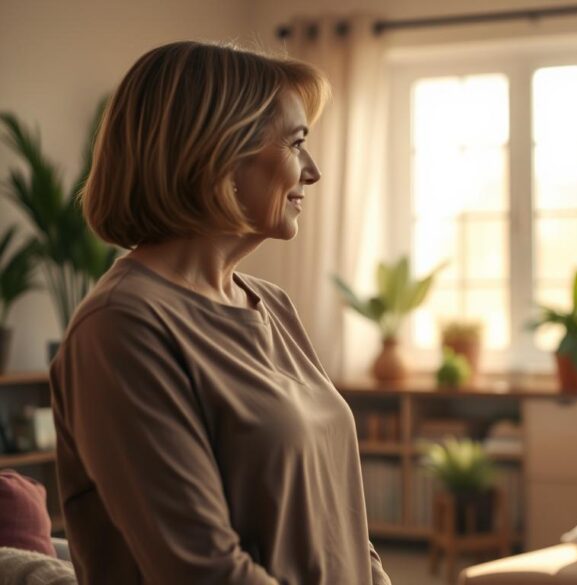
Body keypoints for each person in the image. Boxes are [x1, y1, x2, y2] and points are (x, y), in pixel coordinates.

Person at [49, 41, 390, 585]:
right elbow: (202, 570)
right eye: (298, 144)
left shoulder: (272, 305)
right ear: (220, 152)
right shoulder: (122, 327)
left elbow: (340, 526)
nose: (314, 171)